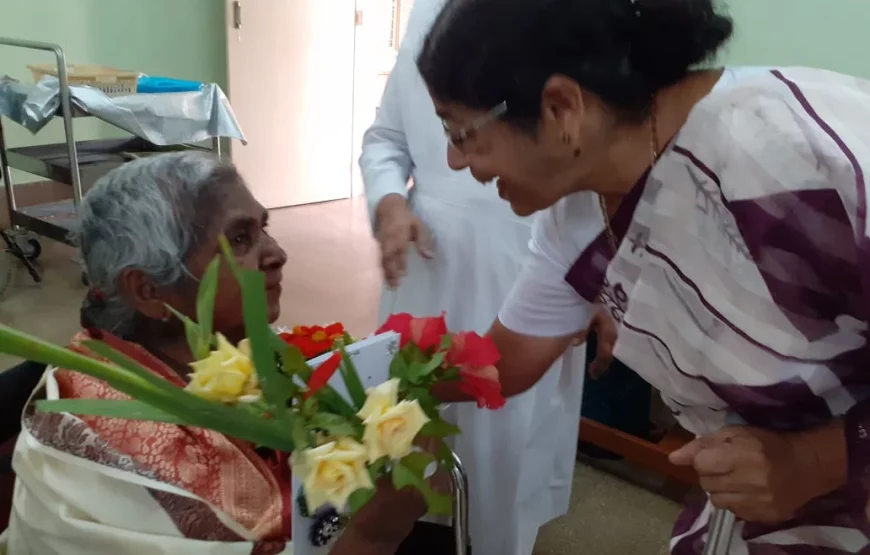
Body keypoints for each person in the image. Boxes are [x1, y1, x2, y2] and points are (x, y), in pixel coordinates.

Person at [415, 0, 870, 552]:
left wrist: (814, 461)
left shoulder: (791, 160)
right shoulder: (582, 205)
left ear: (561, 107)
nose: (455, 162)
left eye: (461, 133)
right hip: (763, 513)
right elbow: (509, 360)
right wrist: (355, 380)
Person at [1, 152, 426, 555]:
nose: (277, 254)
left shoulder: (246, 346)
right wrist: (372, 537)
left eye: (264, 227)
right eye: (239, 240)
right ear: (149, 290)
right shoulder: (99, 451)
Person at [359, 0, 586, 553]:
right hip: (430, 262)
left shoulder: (569, 21)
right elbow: (385, 140)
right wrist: (390, 204)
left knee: (506, 441)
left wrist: (600, 270)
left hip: (532, 257)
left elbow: (593, 155)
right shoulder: (426, 17)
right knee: (404, 432)